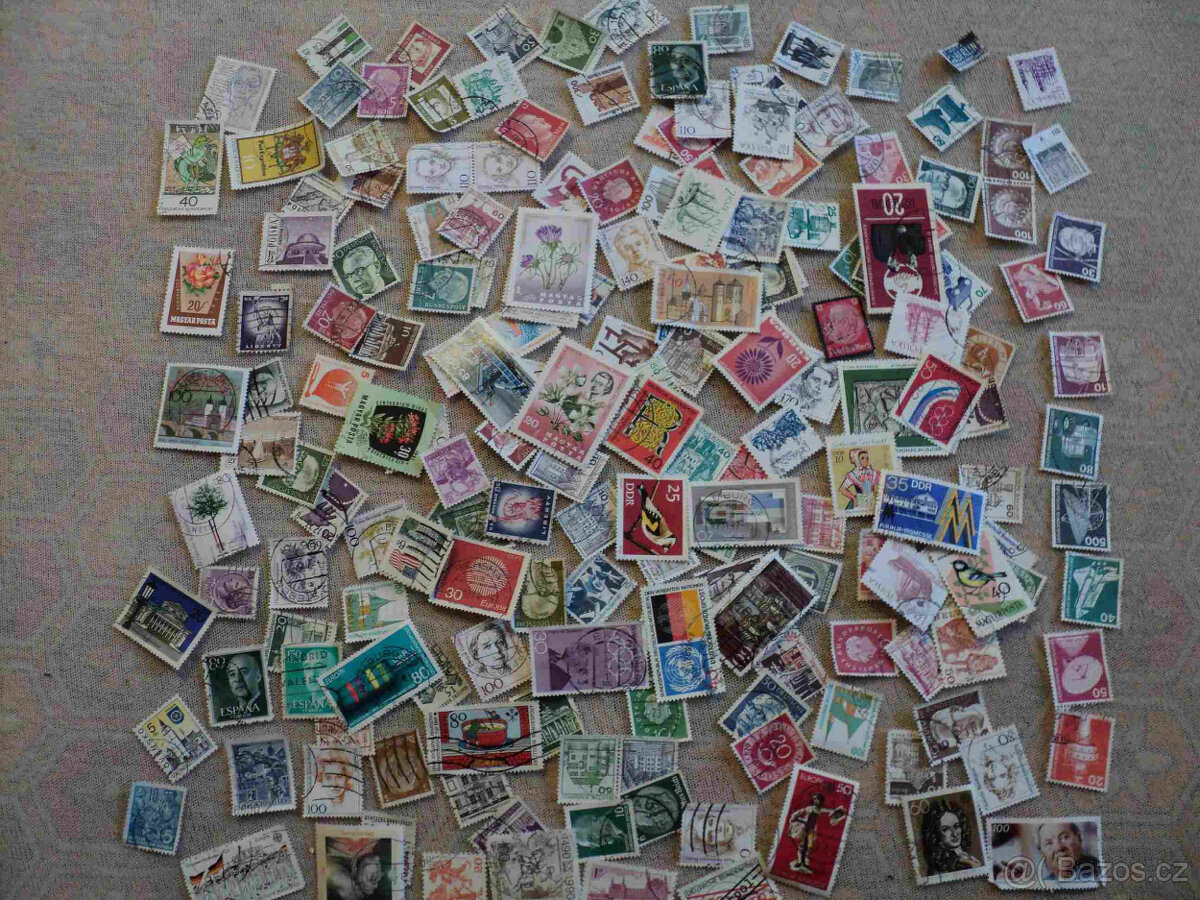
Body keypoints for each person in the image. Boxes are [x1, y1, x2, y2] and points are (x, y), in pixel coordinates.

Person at [787, 792, 847, 874]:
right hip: (804, 829)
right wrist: (793, 819)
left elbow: (828, 811)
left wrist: (837, 811)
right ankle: (800, 862)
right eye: (815, 799)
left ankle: (804, 864)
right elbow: (799, 812)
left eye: (818, 800)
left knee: (808, 848)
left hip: (810, 831)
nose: (816, 801)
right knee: (802, 847)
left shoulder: (820, 809)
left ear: (821, 801)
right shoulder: (809, 808)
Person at [920, 798, 982, 875]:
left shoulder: (965, 856)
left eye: (956, 826)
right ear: (936, 833)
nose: (954, 834)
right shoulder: (940, 868)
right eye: (946, 829)